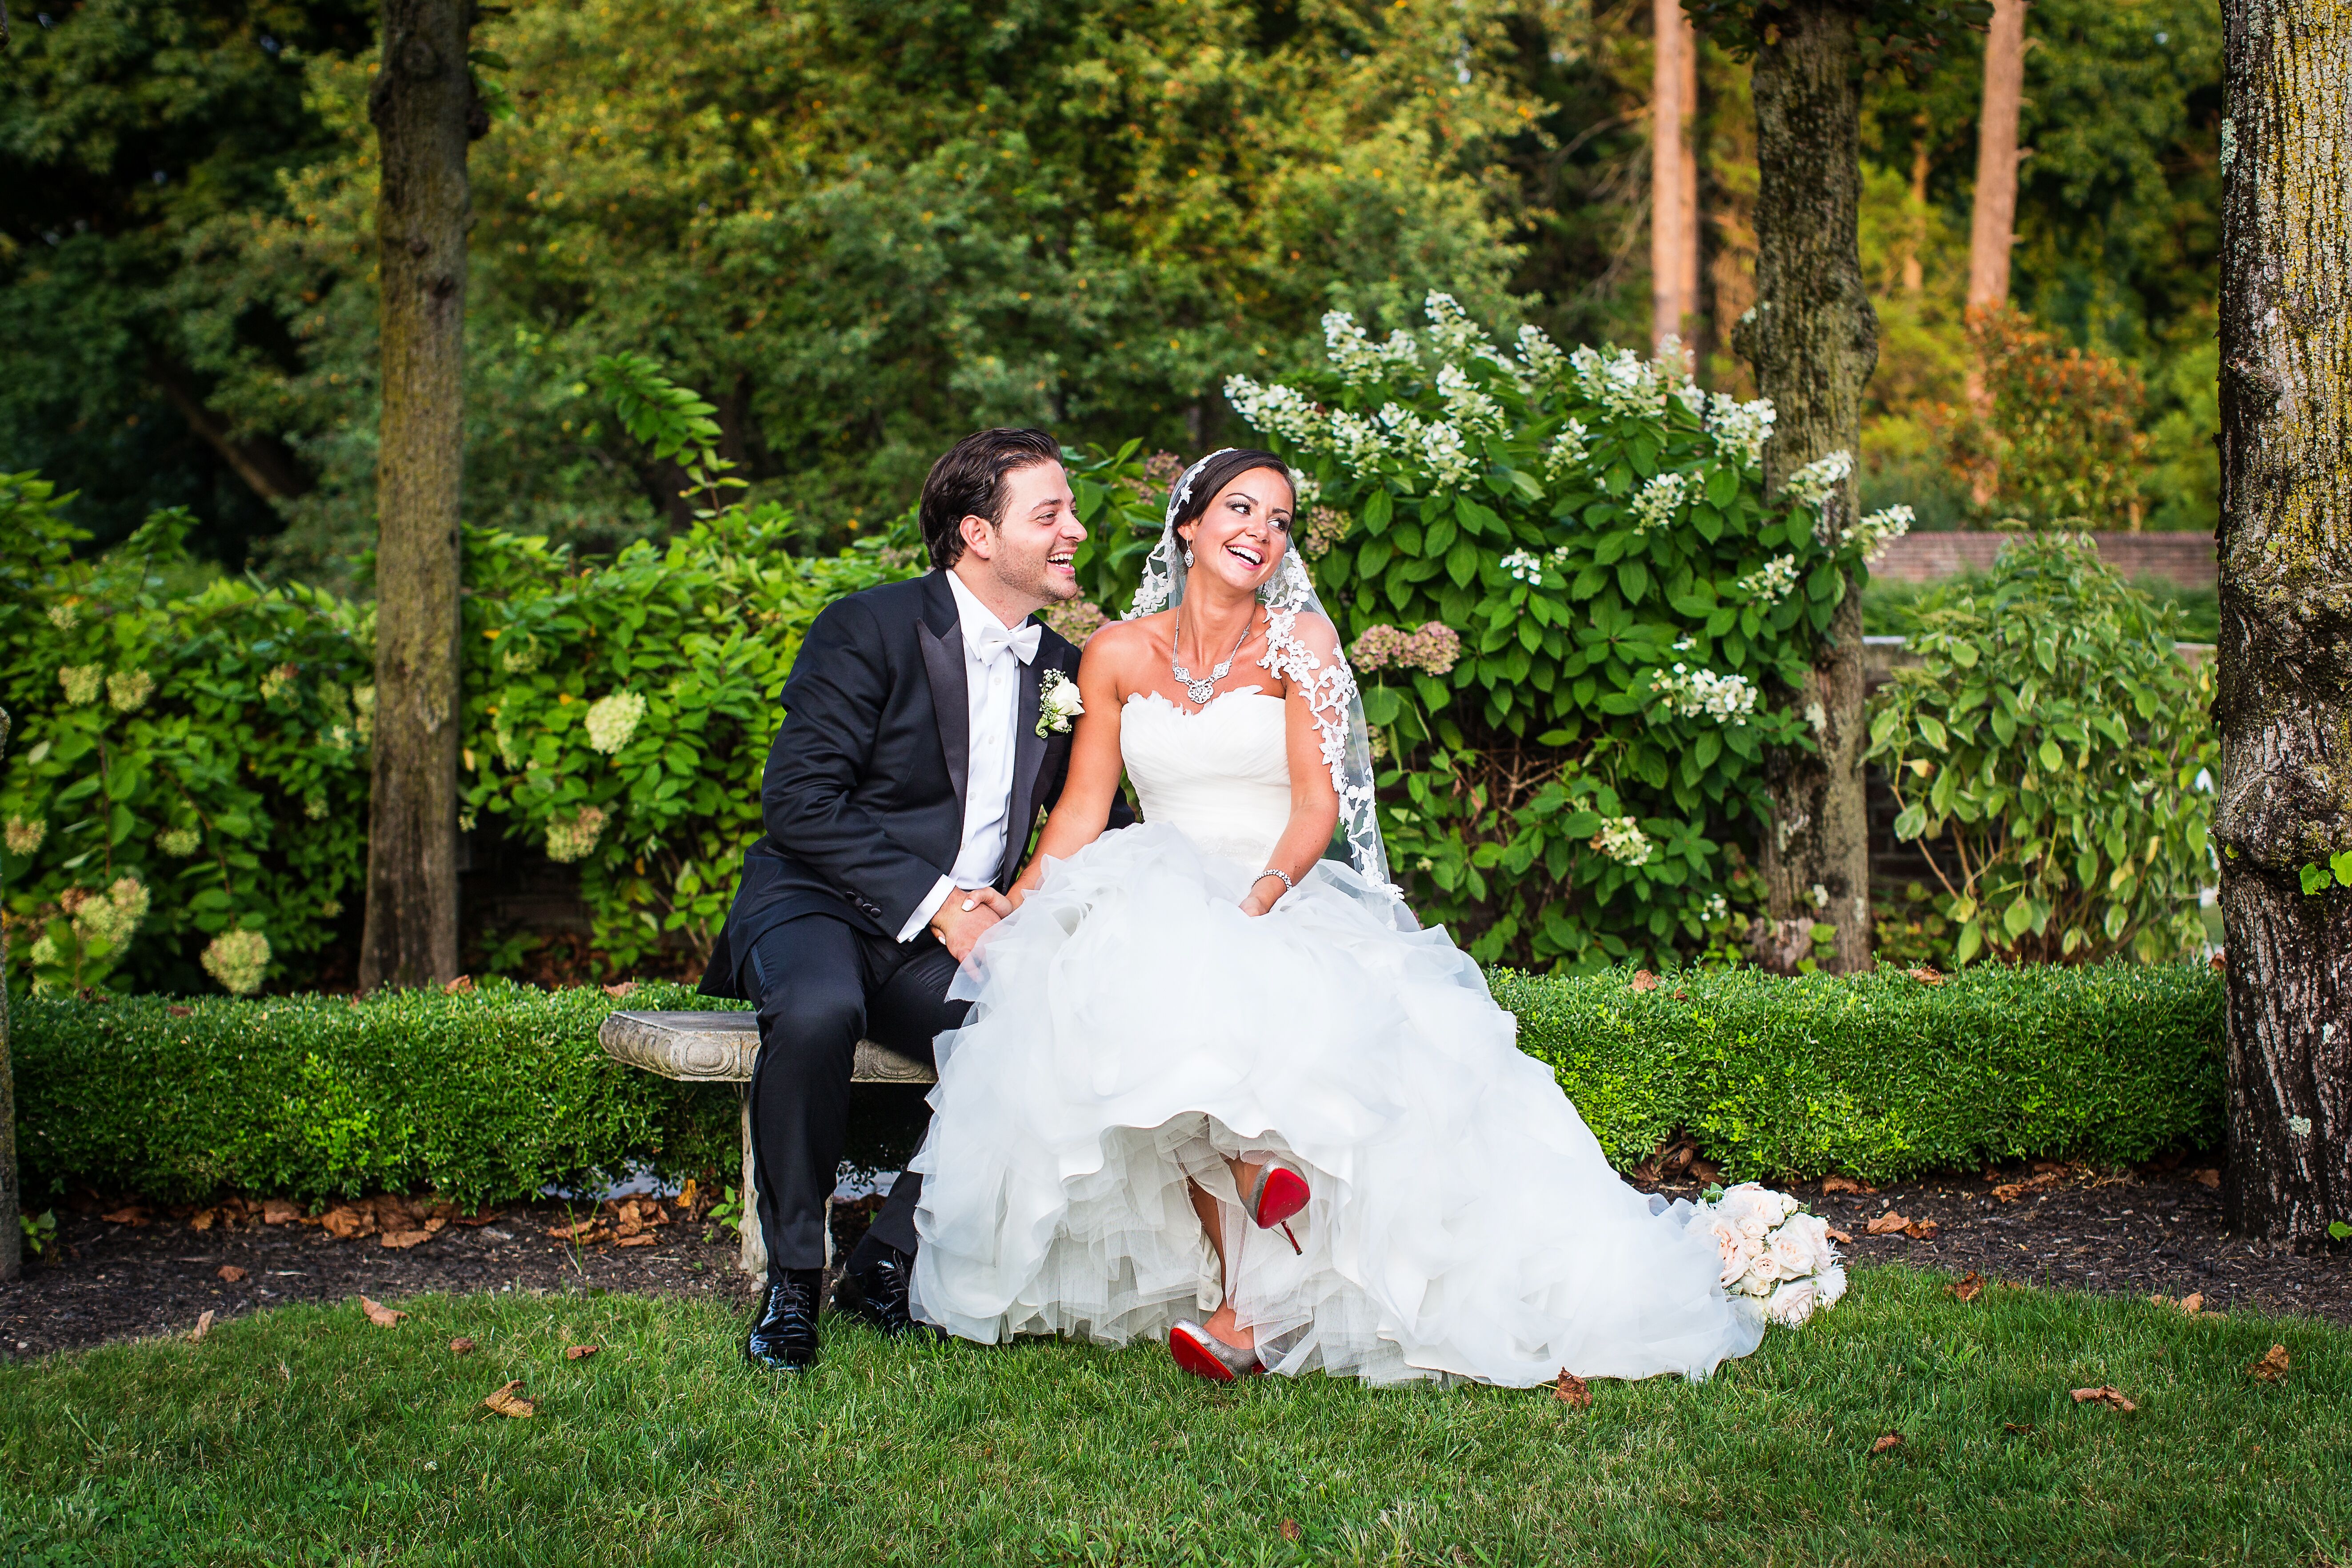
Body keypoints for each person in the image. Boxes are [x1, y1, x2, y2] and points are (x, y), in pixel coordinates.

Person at [904, 448, 1771, 1386]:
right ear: (1187, 525)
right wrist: (1019, 909)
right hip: (1157, 886)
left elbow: (1318, 806)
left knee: (1181, 1002)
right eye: (1241, 509)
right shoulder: (1116, 653)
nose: (1261, 533)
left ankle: (1240, 1304)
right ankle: (1245, 1230)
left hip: (1273, 889)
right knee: (1121, 1000)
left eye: (1280, 521)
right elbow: (1079, 813)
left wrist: (1264, 896)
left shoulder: (1299, 647)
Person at [700, 426, 1128, 1372]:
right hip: (817, 903)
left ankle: (889, 1256)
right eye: (1050, 514)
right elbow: (799, 802)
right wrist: (942, 903)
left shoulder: (1063, 667)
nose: (1077, 531)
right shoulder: (868, 626)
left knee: (1036, 1028)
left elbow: (1100, 819)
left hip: (951, 937)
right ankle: (794, 1281)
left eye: (1072, 510)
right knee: (815, 1014)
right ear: (978, 533)